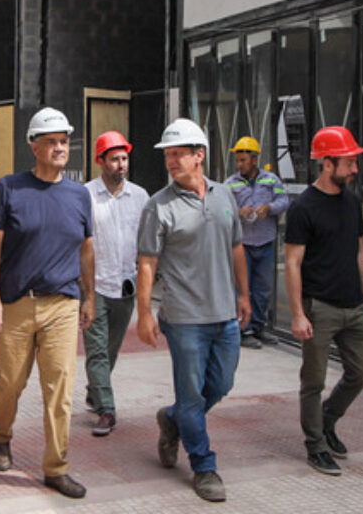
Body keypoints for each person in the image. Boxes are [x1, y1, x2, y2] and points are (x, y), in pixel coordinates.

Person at [136, 118, 249, 503]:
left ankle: (171, 420)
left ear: (199, 155)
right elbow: (147, 262)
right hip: (183, 319)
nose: (170, 161)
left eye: (177, 153)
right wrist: (145, 313)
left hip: (225, 314)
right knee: (191, 396)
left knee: (221, 385)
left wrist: (245, 295)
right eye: (167, 155)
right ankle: (204, 466)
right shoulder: (158, 206)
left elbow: (237, 247)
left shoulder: (224, 196)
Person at [0, 107, 94, 500]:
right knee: (9, 384)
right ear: (34, 146)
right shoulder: (9, 188)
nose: (60, 148)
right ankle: (0, 439)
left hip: (62, 304)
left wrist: (89, 295)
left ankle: (56, 467)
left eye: (64, 141)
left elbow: (86, 248)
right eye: (52, 141)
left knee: (60, 389)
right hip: (16, 303)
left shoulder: (80, 194)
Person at [284, 126, 363, 478]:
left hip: (354, 305)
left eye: (354, 162)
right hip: (319, 308)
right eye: (349, 162)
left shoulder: (352, 202)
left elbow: (360, 251)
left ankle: (327, 421)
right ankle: (315, 445)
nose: (354, 170)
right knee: (314, 381)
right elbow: (292, 263)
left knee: (361, 373)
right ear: (327, 164)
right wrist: (297, 314)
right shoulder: (303, 208)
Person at [83, 131, 148, 437]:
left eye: (124, 159)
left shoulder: (140, 197)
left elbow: (147, 244)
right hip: (95, 286)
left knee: (111, 350)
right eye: (114, 159)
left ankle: (95, 389)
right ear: (101, 161)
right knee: (96, 351)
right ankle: (106, 409)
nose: (121, 165)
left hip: (126, 286)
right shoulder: (85, 196)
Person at [225, 136, 290, 348]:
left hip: (265, 242)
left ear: (254, 160)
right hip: (242, 245)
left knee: (263, 288)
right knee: (243, 289)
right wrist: (237, 212)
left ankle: (259, 327)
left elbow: (284, 200)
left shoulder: (271, 180)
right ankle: (244, 330)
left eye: (243, 160)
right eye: (238, 160)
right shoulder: (230, 184)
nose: (239, 164)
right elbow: (221, 209)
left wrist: (270, 208)